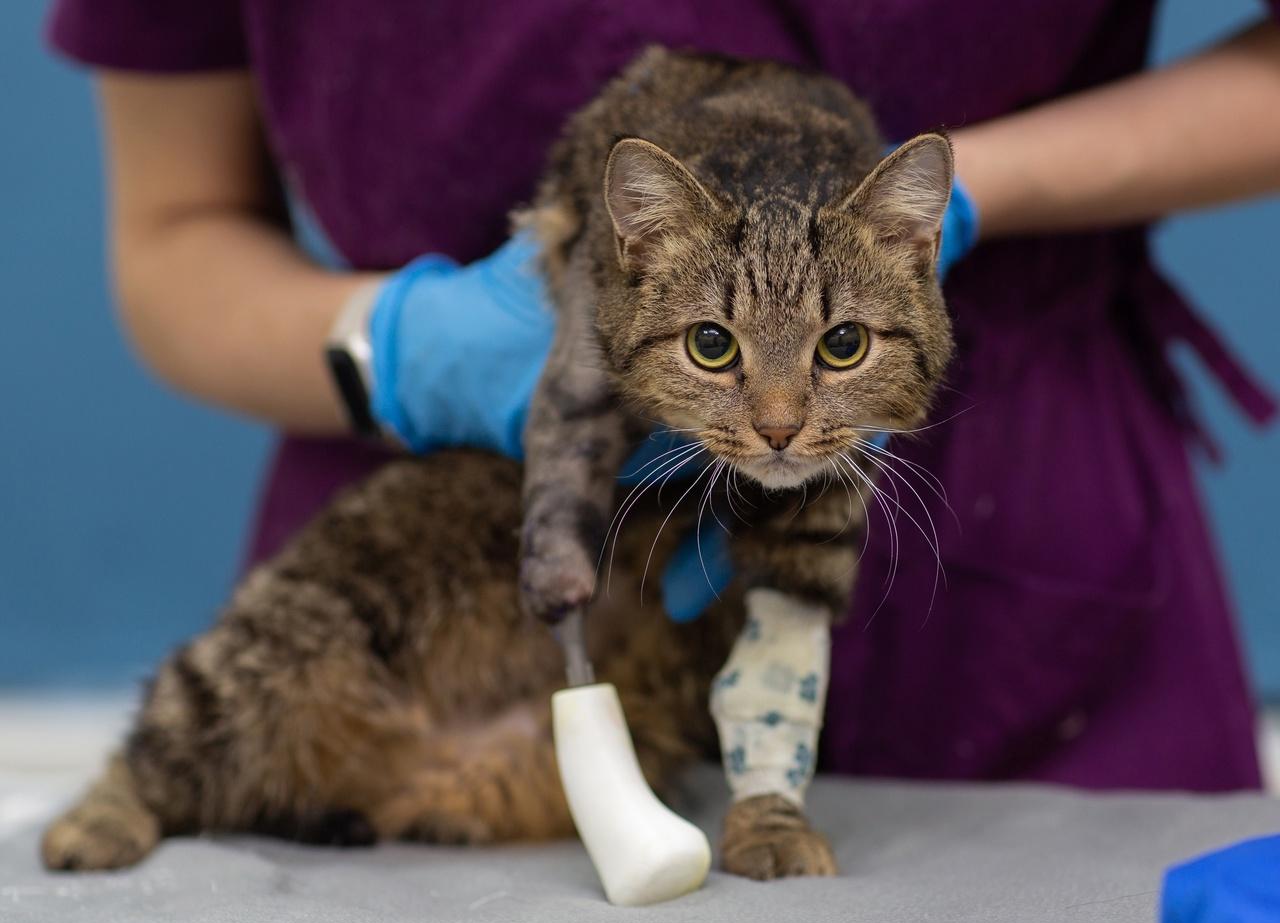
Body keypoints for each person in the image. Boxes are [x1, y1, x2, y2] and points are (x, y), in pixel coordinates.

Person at [48, 1, 1279, 791]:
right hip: (455, 565)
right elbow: (173, 231)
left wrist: (948, 206)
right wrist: (402, 349)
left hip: (1002, 565)